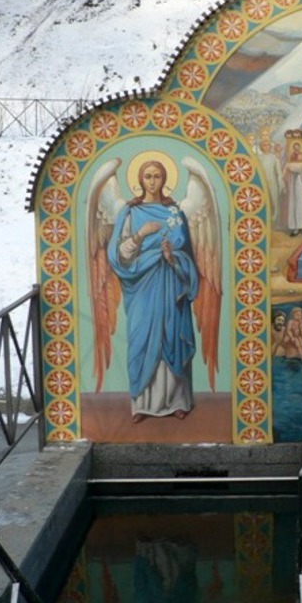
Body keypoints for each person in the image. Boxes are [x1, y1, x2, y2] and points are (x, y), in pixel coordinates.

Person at [108, 159, 199, 424]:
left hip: (170, 284)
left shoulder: (175, 213)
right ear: (140, 179)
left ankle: (178, 401)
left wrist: (172, 258)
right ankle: (142, 402)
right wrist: (140, 234)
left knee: (171, 336)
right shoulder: (130, 212)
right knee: (141, 339)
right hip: (141, 287)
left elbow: (188, 255)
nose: (152, 181)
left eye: (157, 176)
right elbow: (119, 255)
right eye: (147, 176)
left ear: (164, 179)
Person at [257, 138, 285, 228]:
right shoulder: (258, 158)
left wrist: (281, 184)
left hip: (273, 183)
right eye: (264, 145)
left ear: (270, 146)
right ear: (261, 147)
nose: (266, 147)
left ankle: (275, 223)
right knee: (264, 201)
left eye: (268, 145)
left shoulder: (274, 158)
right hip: (262, 183)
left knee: (274, 201)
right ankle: (264, 223)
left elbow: (279, 172)